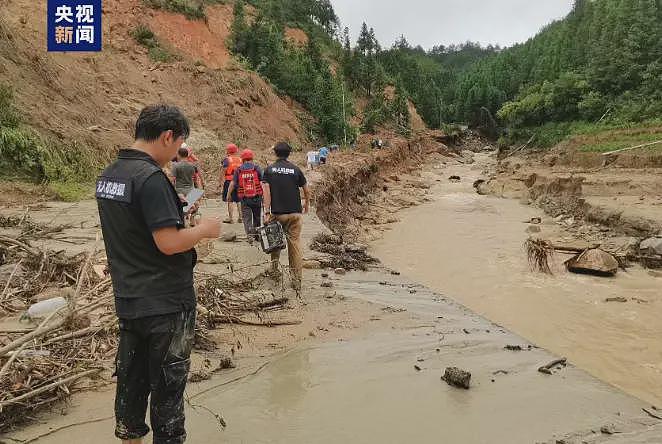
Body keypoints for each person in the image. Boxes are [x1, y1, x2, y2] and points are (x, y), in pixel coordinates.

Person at [96, 104, 221, 444]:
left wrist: (178, 210)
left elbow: (128, 230)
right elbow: (168, 242)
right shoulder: (150, 177)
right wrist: (205, 229)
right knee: (168, 397)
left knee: (131, 389)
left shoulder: (110, 175)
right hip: (165, 303)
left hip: (129, 300)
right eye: (177, 141)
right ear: (168, 136)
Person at [262, 142, 310, 291]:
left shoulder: (269, 170)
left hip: (278, 214)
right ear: (289, 154)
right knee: (294, 245)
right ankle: (296, 281)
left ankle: (275, 269)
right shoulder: (296, 170)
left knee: (275, 242)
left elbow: (266, 191)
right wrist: (307, 204)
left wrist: (266, 212)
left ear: (275, 153)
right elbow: (306, 189)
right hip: (295, 214)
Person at [227, 149, 263, 243]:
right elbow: (263, 182)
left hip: (244, 198)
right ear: (252, 158)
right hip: (257, 197)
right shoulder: (257, 168)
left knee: (247, 218)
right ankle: (257, 235)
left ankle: (250, 236)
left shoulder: (239, 170)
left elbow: (233, 183)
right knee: (257, 217)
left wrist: (228, 194)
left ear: (242, 159)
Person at [219, 144, 242, 224]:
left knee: (230, 200)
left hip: (229, 181)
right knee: (239, 200)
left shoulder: (227, 160)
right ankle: (240, 217)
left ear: (228, 151)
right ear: (236, 151)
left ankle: (231, 218)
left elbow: (223, 170)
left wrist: (220, 181)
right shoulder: (240, 159)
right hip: (239, 182)